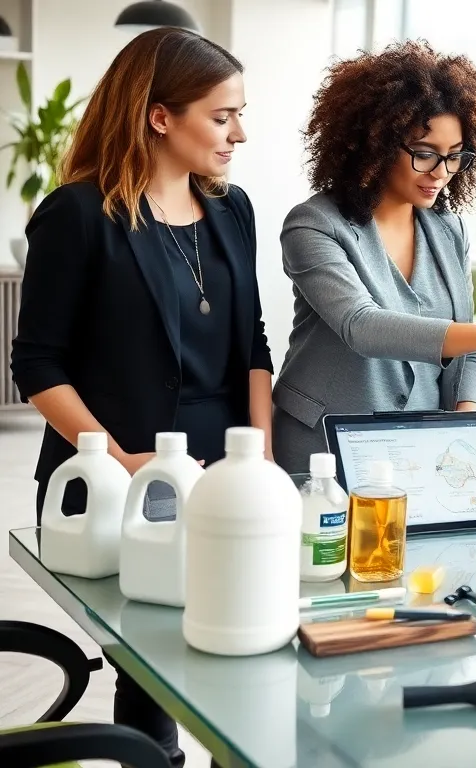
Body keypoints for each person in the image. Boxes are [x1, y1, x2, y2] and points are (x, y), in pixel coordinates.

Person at [10, 27, 272, 766]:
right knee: (148, 673)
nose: (238, 133)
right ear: (161, 116)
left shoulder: (232, 210)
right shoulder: (78, 214)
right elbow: (37, 363)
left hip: (227, 477)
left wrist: (262, 461)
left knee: (241, 649)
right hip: (118, 479)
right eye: (222, 116)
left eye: (239, 114)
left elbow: (253, 343)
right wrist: (123, 462)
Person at [271, 41, 476, 473]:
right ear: (373, 143)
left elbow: (462, 349)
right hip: (322, 445)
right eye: (424, 153)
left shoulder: (449, 231)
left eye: (454, 157)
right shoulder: (314, 224)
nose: (441, 172)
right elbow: (362, 326)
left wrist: (467, 421)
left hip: (418, 450)